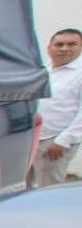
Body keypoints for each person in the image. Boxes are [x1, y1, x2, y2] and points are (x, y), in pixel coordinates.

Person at [32, 27, 81, 187]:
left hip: (55, 141)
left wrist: (63, 141)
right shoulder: (42, 71)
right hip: (32, 138)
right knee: (24, 188)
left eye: (71, 44)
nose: (65, 49)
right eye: (59, 45)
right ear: (49, 48)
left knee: (49, 188)